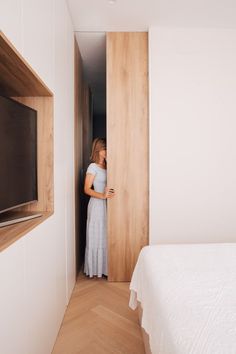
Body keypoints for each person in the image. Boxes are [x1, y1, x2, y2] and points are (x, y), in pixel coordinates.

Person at [84, 137, 115, 278]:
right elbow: (86, 189)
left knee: (105, 234)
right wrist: (102, 196)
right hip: (97, 204)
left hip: (108, 204)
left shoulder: (109, 166)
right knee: (97, 234)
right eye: (105, 148)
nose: (107, 150)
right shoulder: (93, 167)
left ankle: (106, 268)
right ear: (99, 149)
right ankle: (95, 269)